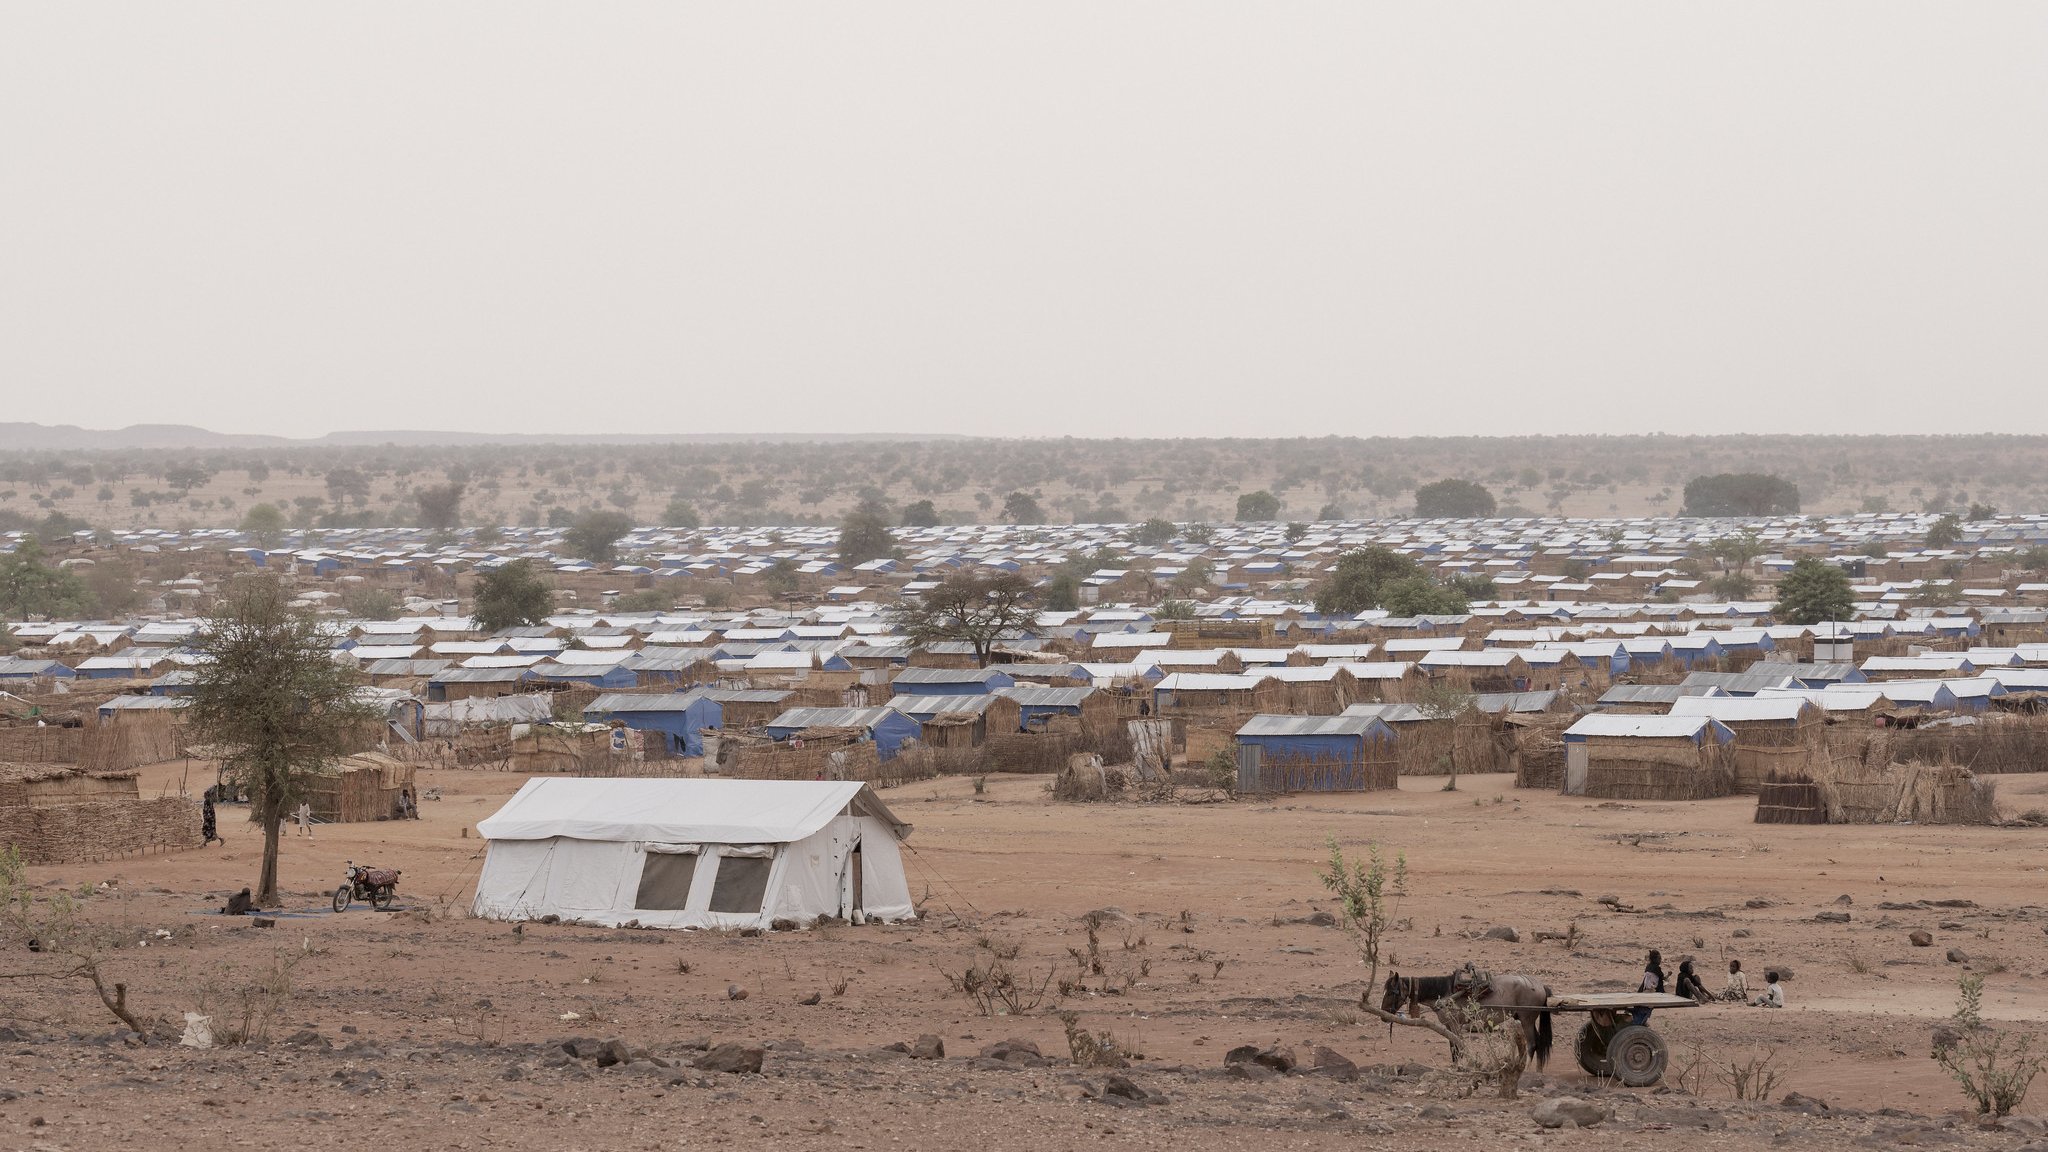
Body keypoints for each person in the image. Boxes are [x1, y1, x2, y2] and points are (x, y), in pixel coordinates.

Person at [1633, 949, 1667, 1025]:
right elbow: (1662, 978)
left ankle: (1639, 1023)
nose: (1660, 960)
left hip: (1644, 990)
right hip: (1651, 991)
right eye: (1659, 958)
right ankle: (1638, 1025)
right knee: (1646, 1009)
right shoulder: (1656, 968)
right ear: (1655, 959)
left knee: (1642, 1009)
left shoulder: (1648, 966)